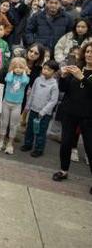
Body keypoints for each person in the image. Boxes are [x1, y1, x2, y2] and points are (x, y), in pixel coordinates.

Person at [52, 42, 92, 189]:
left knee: (90, 147)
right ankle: (63, 170)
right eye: (87, 51)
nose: (89, 54)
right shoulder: (77, 68)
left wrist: (82, 78)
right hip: (70, 112)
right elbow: (64, 89)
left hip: (88, 115)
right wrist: (63, 77)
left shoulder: (81, 73)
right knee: (66, 143)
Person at [20, 60, 60, 157]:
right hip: (33, 109)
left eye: (49, 70)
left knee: (41, 131)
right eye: (44, 68)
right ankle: (28, 144)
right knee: (30, 129)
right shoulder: (38, 80)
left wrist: (43, 111)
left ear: (54, 72)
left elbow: (53, 101)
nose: (45, 71)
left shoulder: (54, 85)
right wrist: (28, 106)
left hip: (44, 114)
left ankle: (39, 149)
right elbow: (32, 93)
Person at [0, 57, 32, 154]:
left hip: (17, 104)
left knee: (13, 124)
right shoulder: (10, 75)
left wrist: (25, 72)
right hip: (6, 102)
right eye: (15, 67)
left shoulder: (25, 78)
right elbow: (8, 79)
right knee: (4, 122)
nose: (18, 69)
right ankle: (1, 141)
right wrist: (11, 71)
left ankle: (10, 143)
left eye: (21, 67)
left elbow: (25, 82)